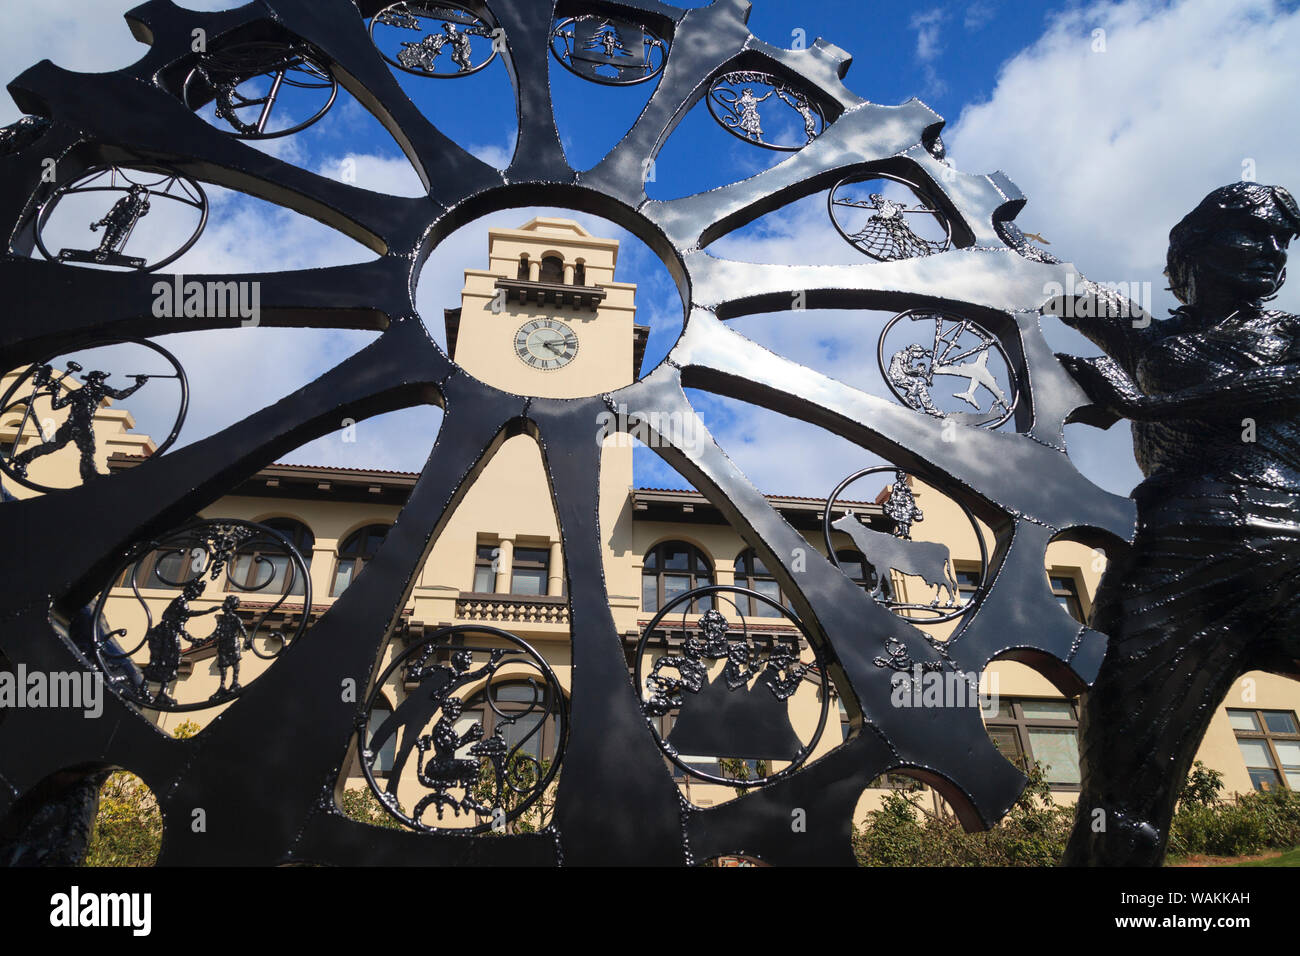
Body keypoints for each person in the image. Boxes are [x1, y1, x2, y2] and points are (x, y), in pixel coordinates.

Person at [1057, 182, 1300, 865]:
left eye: (1281, 242)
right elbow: (1052, 284)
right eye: (1251, 236)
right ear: (1190, 255)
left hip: (1291, 548)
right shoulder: (1150, 339)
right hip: (1174, 564)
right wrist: (954, 199)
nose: (1272, 254)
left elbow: (1280, 387)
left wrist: (1145, 408)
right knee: (1119, 803)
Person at [12, 368, 147, 482]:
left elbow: (120, 395)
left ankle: (89, 476)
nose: (103, 382)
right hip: (71, 425)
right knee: (50, 447)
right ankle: (22, 460)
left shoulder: (99, 391)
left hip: (84, 426)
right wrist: (56, 392)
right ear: (93, 380)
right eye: (101, 379)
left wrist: (137, 385)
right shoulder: (76, 393)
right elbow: (57, 405)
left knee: (88, 451)